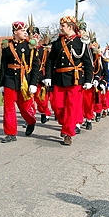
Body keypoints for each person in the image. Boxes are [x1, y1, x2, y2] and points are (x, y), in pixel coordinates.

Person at [44, 15, 93, 146]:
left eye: (63, 26)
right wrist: (47, 76)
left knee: (71, 107)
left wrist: (88, 80)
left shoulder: (81, 43)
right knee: (57, 105)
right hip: (59, 78)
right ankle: (65, 124)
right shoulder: (57, 43)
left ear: (70, 27)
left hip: (75, 79)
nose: (60, 28)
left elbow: (88, 63)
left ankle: (67, 133)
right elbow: (50, 61)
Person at [0, 21, 39, 143]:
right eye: (22, 31)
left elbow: (35, 66)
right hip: (10, 80)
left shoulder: (29, 46)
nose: (25, 33)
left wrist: (33, 83)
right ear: (15, 32)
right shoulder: (7, 46)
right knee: (8, 108)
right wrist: (1, 83)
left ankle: (31, 121)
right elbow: (3, 65)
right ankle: (11, 133)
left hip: (24, 80)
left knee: (25, 107)